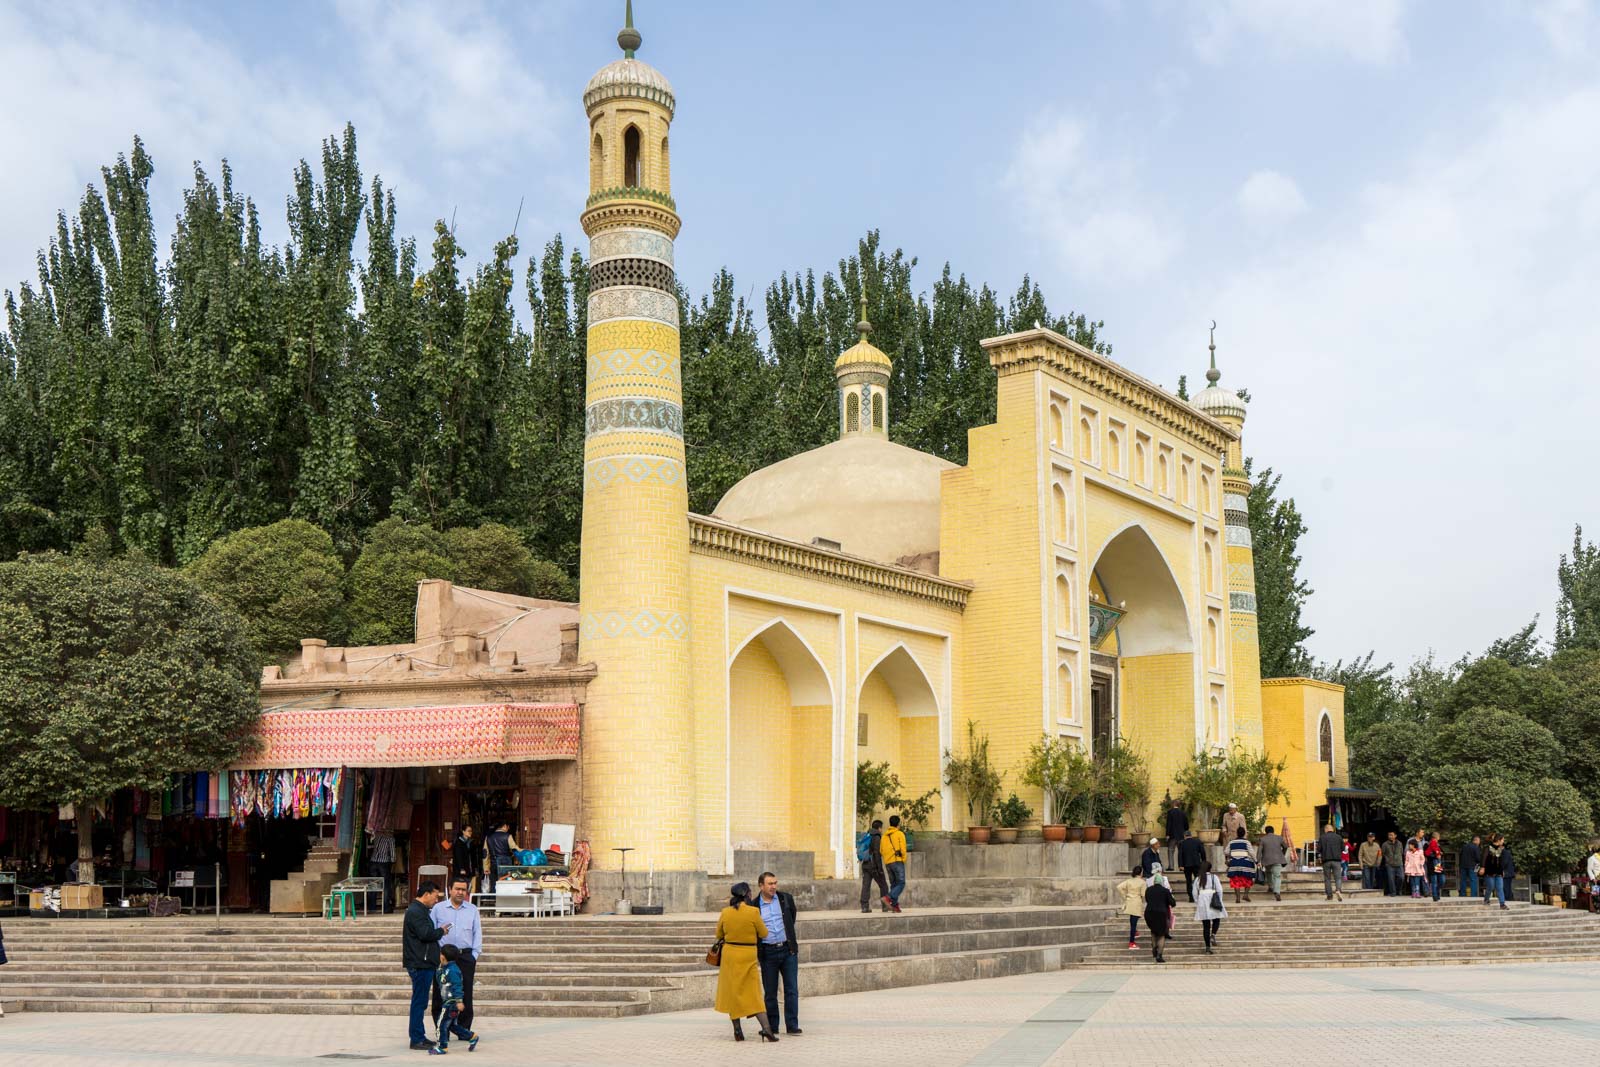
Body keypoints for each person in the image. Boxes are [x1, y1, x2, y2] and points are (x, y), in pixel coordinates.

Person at [714, 882, 776, 1041]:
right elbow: (763, 933)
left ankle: (737, 1031)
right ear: (748, 894)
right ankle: (767, 1029)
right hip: (748, 955)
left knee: (733, 993)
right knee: (753, 994)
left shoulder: (726, 912)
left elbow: (718, 933)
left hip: (730, 956)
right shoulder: (753, 912)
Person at [430, 876, 482, 1032]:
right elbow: (431, 933)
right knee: (441, 992)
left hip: (465, 957)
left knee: (465, 992)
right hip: (444, 958)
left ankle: (464, 1028)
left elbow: (477, 933)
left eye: (463, 889)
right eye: (457, 889)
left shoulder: (472, 910)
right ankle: (441, 1027)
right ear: (449, 890)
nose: (460, 892)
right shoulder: (438, 909)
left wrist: (474, 955)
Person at [404, 881, 451, 1052]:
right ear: (426, 894)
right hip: (420, 963)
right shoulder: (416, 911)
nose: (436, 901)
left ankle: (419, 1036)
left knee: (421, 1001)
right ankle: (416, 1038)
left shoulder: (421, 911)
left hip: (424, 962)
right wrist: (441, 931)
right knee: (419, 1002)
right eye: (435, 896)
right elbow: (425, 934)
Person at [754, 872, 801, 1036]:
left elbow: (791, 917)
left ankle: (792, 1025)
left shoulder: (785, 899)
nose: (773, 886)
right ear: (761, 886)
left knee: (791, 989)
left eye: (775, 883)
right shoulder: (754, 906)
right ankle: (773, 1026)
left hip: (788, 950)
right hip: (768, 952)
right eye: (769, 884)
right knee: (770, 992)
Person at [430, 944, 479, 1055]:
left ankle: (442, 1046)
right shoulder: (444, 968)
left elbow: (457, 986)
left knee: (441, 1024)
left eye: (440, 954)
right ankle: (471, 1036)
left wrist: (459, 1001)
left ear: (443, 957)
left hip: (450, 1003)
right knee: (452, 1026)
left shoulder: (453, 971)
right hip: (448, 1002)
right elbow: (440, 980)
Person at [1192, 859, 1227, 954]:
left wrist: (1197, 902)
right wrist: (1219, 900)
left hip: (1202, 900)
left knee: (1206, 925)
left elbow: (1194, 893)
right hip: (1213, 898)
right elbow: (1219, 889)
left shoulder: (1198, 878)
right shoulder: (1214, 877)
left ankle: (1207, 947)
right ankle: (1213, 934)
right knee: (1217, 918)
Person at [1143, 868, 1177, 964]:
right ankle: (1159, 955)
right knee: (1161, 934)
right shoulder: (1165, 891)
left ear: (1154, 881)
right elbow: (1172, 903)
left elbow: (1147, 900)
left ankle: (1154, 947)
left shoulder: (1148, 890)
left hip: (1149, 913)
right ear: (1161, 881)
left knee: (1154, 931)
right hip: (1161, 913)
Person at [858, 819, 890, 914]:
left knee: (866, 886)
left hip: (865, 864)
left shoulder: (867, 835)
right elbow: (877, 853)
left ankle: (864, 907)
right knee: (884, 885)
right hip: (874, 866)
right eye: (881, 828)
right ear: (879, 828)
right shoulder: (877, 837)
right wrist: (879, 868)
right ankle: (885, 907)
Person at [881, 815, 908, 913]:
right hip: (897, 860)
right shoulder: (899, 834)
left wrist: (887, 859)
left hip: (888, 862)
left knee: (894, 884)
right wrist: (903, 859)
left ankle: (895, 906)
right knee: (901, 882)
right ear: (898, 824)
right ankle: (888, 897)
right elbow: (903, 848)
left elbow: (881, 850)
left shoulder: (884, 836)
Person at [483, 822, 517, 895]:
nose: (508, 829)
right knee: (506, 882)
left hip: (493, 864)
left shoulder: (488, 837)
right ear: (504, 826)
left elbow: (485, 853)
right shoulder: (508, 836)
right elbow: (514, 849)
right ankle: (504, 901)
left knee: (494, 884)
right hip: (506, 864)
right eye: (508, 827)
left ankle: (493, 902)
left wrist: (486, 867)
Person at [1225, 826, 1257, 904]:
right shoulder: (1246, 842)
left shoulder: (1231, 842)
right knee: (1248, 878)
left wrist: (1232, 855)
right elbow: (1252, 853)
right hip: (1245, 864)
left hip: (1234, 864)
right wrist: (1256, 861)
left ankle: (1238, 898)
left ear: (1237, 833)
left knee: (1235, 881)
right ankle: (1245, 895)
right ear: (1244, 834)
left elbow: (1226, 852)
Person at [1118, 865, 1146, 950]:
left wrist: (1125, 896)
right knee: (1134, 922)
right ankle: (1131, 942)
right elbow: (1143, 894)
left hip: (1129, 901)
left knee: (1132, 920)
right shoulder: (1142, 882)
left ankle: (1135, 933)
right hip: (1137, 902)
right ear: (1141, 872)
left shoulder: (1129, 881)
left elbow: (1119, 887)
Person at [369, 829, 397, 914]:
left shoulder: (377, 836)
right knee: (386, 886)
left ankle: (372, 907)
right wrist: (394, 861)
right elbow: (392, 854)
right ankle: (386, 908)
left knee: (373, 884)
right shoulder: (390, 839)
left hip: (373, 861)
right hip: (384, 863)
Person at [1258, 825, 1288, 902]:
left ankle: (1271, 887)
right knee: (1277, 876)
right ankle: (1277, 892)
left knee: (1268, 872)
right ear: (1273, 831)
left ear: (1266, 832)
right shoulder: (1279, 838)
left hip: (1267, 860)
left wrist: (1258, 861)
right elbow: (1285, 846)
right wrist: (1282, 854)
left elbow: (1259, 851)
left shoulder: (1262, 839)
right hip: (1278, 859)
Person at [1176, 830, 1206, 901]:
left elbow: (1180, 855)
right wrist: (1204, 861)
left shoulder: (1182, 843)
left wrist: (1180, 865)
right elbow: (1202, 852)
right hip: (1196, 864)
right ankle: (1198, 895)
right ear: (1191, 835)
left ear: (1184, 836)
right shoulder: (1197, 842)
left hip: (1186, 865)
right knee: (1198, 880)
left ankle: (1191, 897)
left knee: (1188, 881)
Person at [1319, 823, 1346, 902]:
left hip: (1326, 861)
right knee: (1338, 877)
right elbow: (1343, 848)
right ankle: (1338, 890)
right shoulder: (1338, 837)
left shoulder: (1322, 837)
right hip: (1337, 860)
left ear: (1326, 829)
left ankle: (1329, 896)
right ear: (1333, 829)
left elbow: (1319, 849)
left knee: (1327, 879)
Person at [1481, 835, 1508, 908]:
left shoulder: (1501, 849)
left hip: (1498, 871)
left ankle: (1502, 904)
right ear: (1498, 840)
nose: (1503, 841)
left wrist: (1502, 870)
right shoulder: (1488, 848)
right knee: (1490, 887)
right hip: (1489, 871)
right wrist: (1482, 867)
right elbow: (1484, 858)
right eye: (1502, 840)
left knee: (1500, 888)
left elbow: (1502, 861)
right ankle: (1486, 900)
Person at [449, 826, 479, 892]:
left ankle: (470, 900)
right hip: (461, 869)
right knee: (462, 885)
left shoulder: (471, 842)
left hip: (470, 868)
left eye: (471, 831)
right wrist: (461, 868)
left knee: (471, 886)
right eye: (468, 831)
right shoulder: (458, 842)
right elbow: (458, 857)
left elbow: (474, 856)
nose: (470, 832)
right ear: (463, 831)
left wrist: (475, 868)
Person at [1163, 801, 1188, 872]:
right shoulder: (1183, 813)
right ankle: (1182, 866)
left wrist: (1167, 834)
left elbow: (1169, 824)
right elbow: (1186, 825)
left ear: (1173, 804)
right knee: (1181, 851)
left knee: (1171, 850)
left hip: (1172, 835)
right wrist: (1184, 832)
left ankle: (1171, 866)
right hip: (1181, 836)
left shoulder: (1170, 812)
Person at [1381, 831, 1404, 897]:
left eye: (1391, 835)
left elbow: (1401, 852)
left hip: (1399, 863)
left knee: (1401, 878)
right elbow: (1383, 853)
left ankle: (1398, 890)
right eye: (1389, 835)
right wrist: (1387, 859)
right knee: (1391, 879)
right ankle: (1393, 892)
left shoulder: (1399, 843)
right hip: (1389, 864)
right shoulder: (1385, 844)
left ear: (1395, 836)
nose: (1390, 836)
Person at [1460, 835, 1482, 900]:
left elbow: (1461, 855)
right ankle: (1473, 895)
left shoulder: (1464, 846)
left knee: (1463, 880)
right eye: (1479, 841)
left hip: (1463, 866)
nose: (1479, 842)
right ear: (1476, 840)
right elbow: (1478, 858)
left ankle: (1463, 894)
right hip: (1473, 866)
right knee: (1473, 880)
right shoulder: (1476, 847)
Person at [1424, 832, 1443, 902]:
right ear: (1436, 837)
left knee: (1441, 880)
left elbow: (1442, 852)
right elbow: (1426, 854)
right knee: (1434, 880)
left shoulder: (1437, 844)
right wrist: (1436, 854)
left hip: (1438, 864)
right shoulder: (1427, 844)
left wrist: (1439, 853)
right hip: (1432, 864)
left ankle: (1437, 891)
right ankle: (1435, 895)